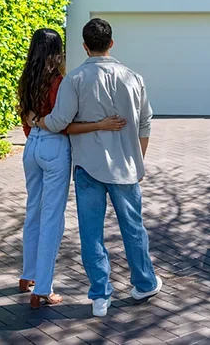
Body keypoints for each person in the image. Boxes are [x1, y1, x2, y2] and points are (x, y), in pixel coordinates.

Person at [33, 18, 161, 317]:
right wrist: (137, 160)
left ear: (84, 46)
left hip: (88, 169)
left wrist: (36, 121)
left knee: (91, 235)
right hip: (126, 169)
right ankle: (144, 283)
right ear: (111, 43)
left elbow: (58, 123)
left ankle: (100, 297)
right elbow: (145, 123)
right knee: (133, 229)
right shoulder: (133, 78)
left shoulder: (74, 80)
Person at [17, 28, 125, 309]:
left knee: (34, 211)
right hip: (54, 147)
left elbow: (26, 118)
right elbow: (62, 123)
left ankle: (27, 275)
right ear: (57, 51)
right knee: (52, 217)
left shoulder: (26, 78)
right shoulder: (59, 82)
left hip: (31, 148)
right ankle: (43, 289)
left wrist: (35, 128)